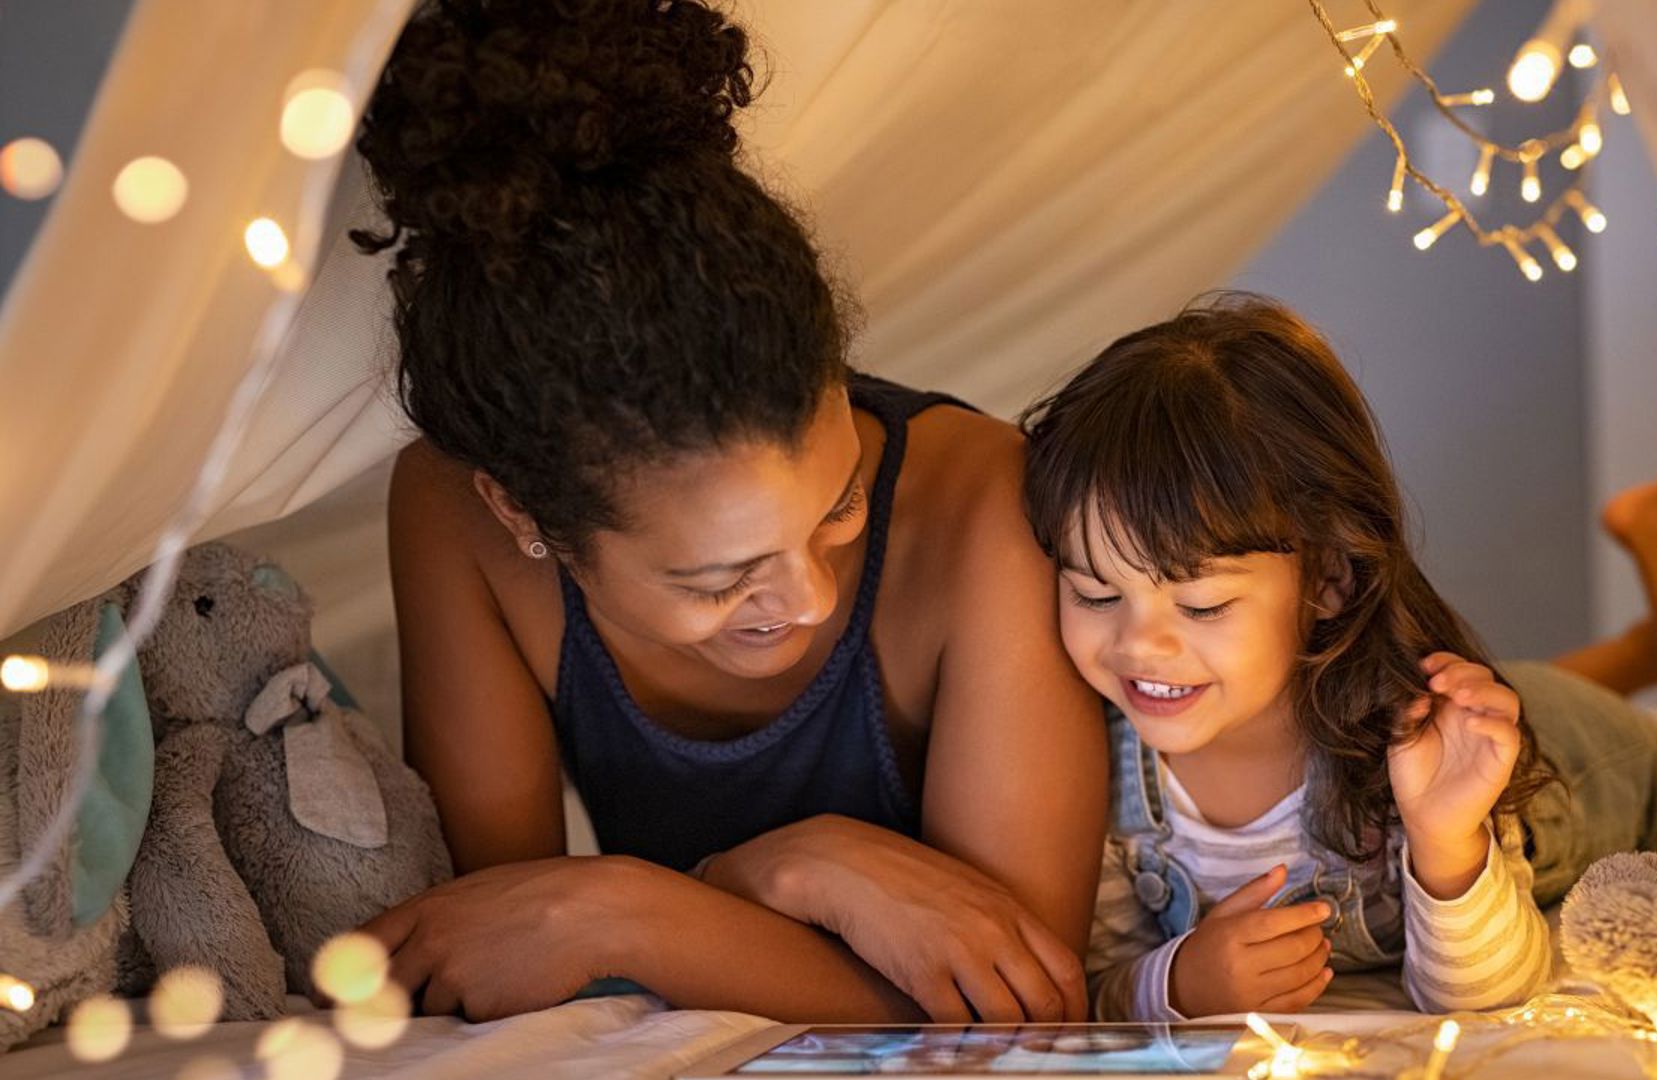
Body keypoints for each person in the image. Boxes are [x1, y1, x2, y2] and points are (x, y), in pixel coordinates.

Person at [350, 0, 1105, 1023]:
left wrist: (645, 904)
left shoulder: (983, 511)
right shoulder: (455, 518)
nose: (805, 593)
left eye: (839, 508)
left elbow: (1020, 1007)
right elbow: (500, 946)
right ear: (524, 511)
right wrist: (769, 883)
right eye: (716, 581)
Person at [1016, 293, 1657, 1019]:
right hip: (1445, 697)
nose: (1137, 643)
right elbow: (1093, 979)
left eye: (1202, 606)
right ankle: (1641, 652)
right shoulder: (1097, 767)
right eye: (1093, 593)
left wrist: (1445, 842)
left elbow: (1490, 989)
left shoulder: (1415, 755)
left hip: (1562, 761)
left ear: (1328, 577)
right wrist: (1177, 983)